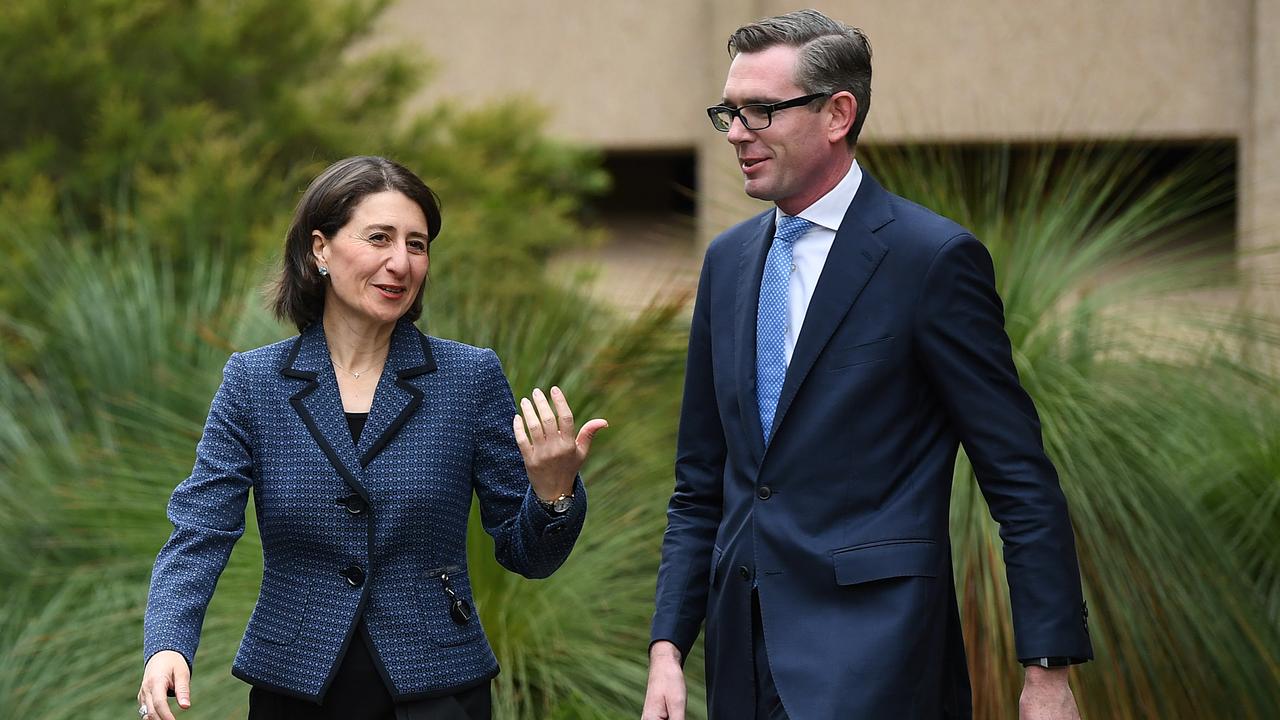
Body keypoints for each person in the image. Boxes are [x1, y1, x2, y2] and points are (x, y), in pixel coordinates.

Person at [642, 10, 1092, 720]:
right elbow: (702, 483)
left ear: (837, 114)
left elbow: (1019, 479)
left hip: (881, 663)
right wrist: (667, 646)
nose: (735, 132)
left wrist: (1048, 672)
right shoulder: (726, 263)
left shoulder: (932, 259)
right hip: (741, 664)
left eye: (760, 111)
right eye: (729, 111)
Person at [137, 156, 606, 720]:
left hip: (437, 686)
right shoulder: (254, 383)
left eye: (417, 244)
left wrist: (553, 495)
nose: (400, 263)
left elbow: (527, 555)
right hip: (296, 686)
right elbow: (202, 528)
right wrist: (168, 641)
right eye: (379, 238)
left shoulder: (468, 378)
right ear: (320, 249)